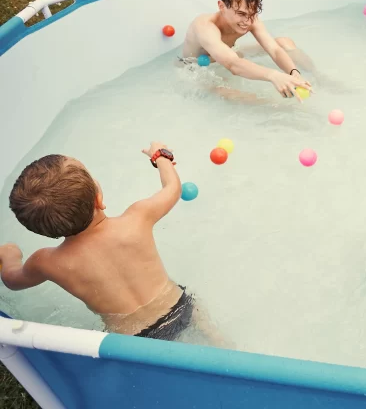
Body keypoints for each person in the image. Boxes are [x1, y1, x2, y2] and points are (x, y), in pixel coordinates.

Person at [0, 143, 213, 341]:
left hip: (136, 339)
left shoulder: (45, 261)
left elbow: (12, 280)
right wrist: (161, 156)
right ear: (99, 199)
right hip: (181, 307)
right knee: (220, 345)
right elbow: (172, 189)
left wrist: (10, 255)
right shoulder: (137, 218)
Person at [182, 0, 314, 101]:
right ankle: (278, 109)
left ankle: (321, 78)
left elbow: (273, 49)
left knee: (284, 42)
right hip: (195, 70)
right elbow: (233, 65)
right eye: (241, 14)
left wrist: (293, 72)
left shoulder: (249, 19)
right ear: (221, 6)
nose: (247, 21)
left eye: (252, 14)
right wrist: (274, 75)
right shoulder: (205, 27)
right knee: (227, 91)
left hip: (229, 55)